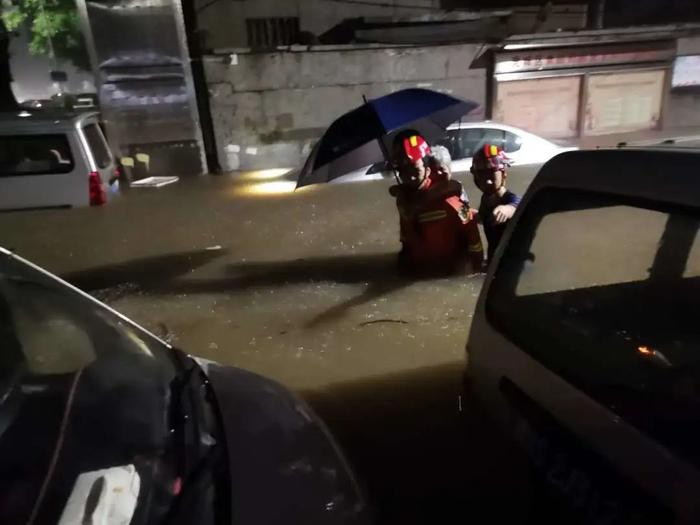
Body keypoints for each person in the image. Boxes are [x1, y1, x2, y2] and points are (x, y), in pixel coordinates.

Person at [389, 131, 483, 274]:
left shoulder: (449, 198)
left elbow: (473, 238)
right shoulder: (402, 200)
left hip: (448, 270)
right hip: (420, 269)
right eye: (403, 169)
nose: (409, 176)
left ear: (428, 169)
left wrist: (471, 268)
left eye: (415, 169)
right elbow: (405, 237)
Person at [471, 144, 521, 263]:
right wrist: (466, 212)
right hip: (494, 263)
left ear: (503, 174)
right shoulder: (486, 199)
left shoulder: (510, 199)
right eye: (481, 174)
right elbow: (484, 217)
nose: (486, 180)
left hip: (513, 264)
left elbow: (518, 205)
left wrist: (507, 209)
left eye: (491, 173)